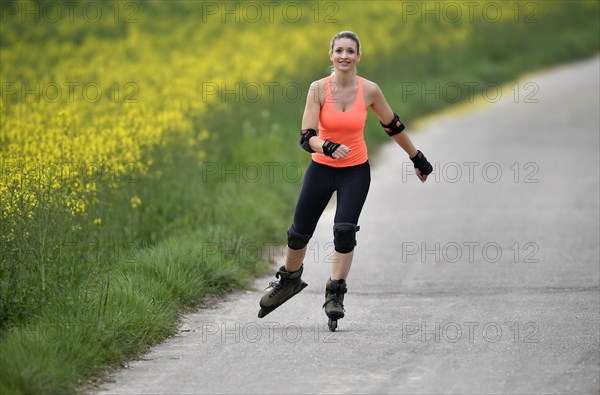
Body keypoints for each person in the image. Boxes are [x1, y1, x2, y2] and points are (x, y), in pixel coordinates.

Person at [258, 31, 433, 331]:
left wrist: (416, 157)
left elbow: (393, 126)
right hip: (321, 169)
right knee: (298, 234)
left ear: (358, 57)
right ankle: (289, 279)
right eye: (339, 50)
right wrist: (325, 146)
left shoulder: (370, 90)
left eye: (350, 51)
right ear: (331, 55)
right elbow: (306, 137)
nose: (344, 56)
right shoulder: (318, 89)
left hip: (355, 171)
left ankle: (335, 291)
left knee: (344, 230)